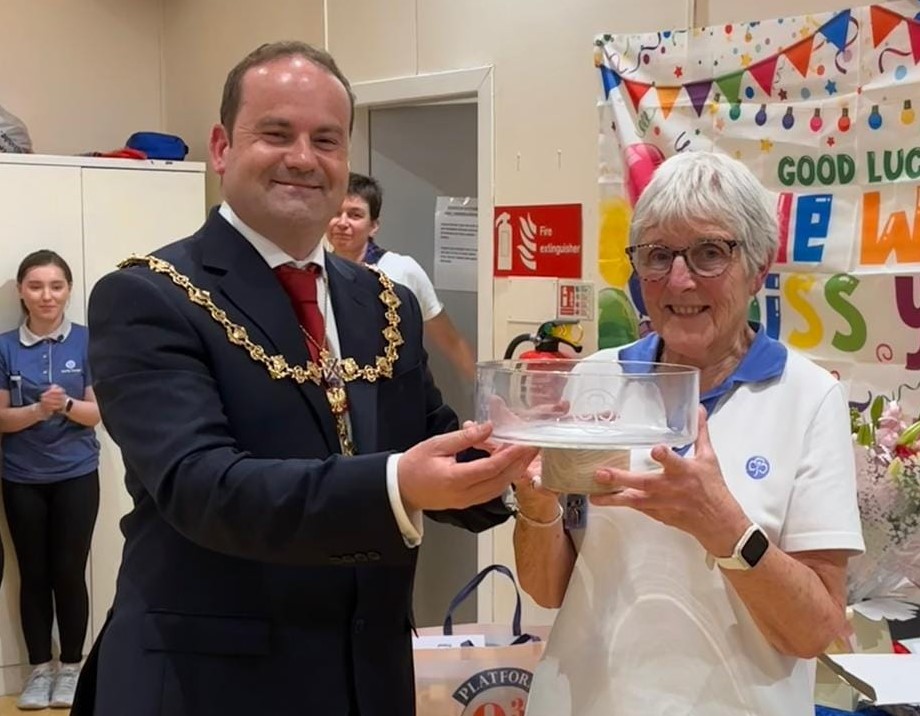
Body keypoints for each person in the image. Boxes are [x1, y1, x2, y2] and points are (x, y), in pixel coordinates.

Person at [71, 41, 536, 716]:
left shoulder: (383, 302)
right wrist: (397, 482)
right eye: (277, 133)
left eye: (327, 139)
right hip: (206, 684)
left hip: (364, 680)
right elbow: (202, 487)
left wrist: (527, 456)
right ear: (223, 146)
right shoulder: (149, 296)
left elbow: (436, 446)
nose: (303, 158)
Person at [514, 151, 865, 716]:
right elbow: (547, 588)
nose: (679, 280)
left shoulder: (808, 397)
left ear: (757, 268)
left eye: (709, 252)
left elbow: (815, 633)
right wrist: (534, 505)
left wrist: (722, 525)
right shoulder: (596, 378)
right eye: (657, 255)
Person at [0, 250, 101, 711]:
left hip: (76, 475)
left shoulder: (87, 341)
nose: (47, 295)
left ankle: (73, 668)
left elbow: (95, 413)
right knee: (33, 574)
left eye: (56, 286)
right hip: (21, 477)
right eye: (36, 286)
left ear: (68, 289)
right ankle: (39, 670)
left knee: (69, 572)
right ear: (21, 291)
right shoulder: (4, 346)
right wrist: (37, 410)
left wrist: (61, 407)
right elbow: (2, 419)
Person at [327, 172, 477, 382]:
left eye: (355, 215)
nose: (342, 223)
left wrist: (487, 395)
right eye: (336, 213)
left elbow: (452, 342)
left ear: (374, 226)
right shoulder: (315, 273)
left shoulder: (402, 270)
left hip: (393, 389)